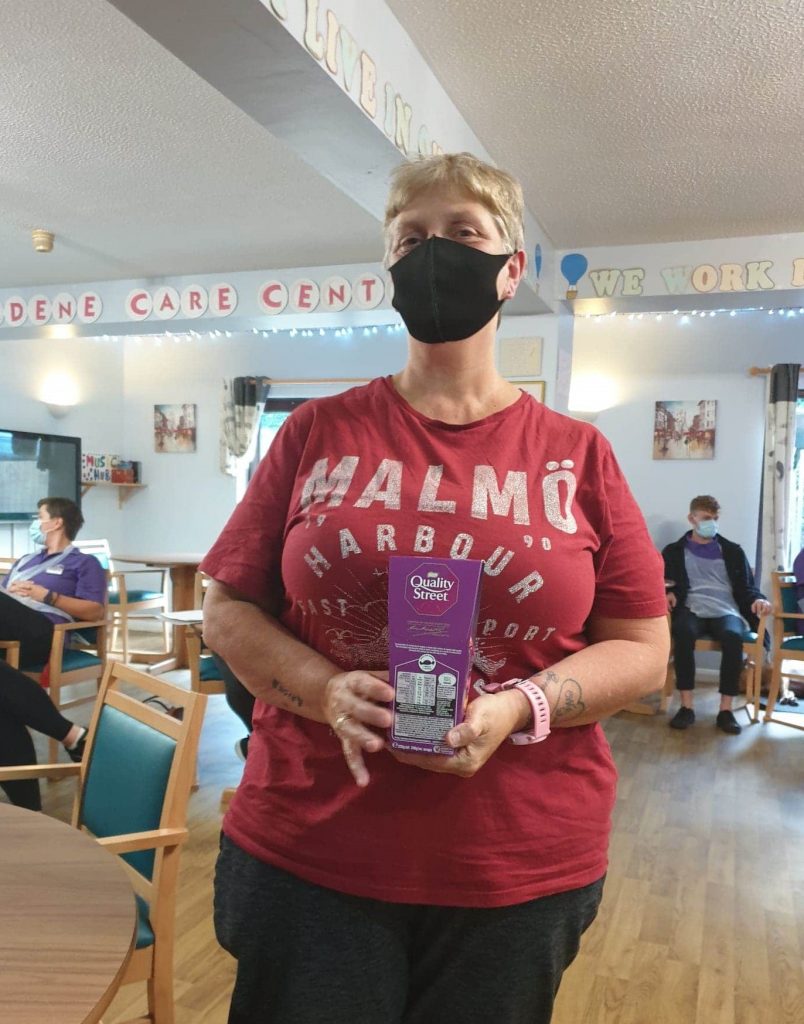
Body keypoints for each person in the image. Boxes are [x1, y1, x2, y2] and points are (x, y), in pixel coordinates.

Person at [201, 152, 669, 1024]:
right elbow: (226, 606)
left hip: (515, 859)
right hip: (311, 841)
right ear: (388, 265)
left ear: (511, 269)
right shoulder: (315, 431)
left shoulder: (579, 454)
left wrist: (520, 705)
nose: (433, 253)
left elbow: (644, 649)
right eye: (410, 238)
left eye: (463, 233)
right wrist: (323, 689)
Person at [0, 497, 107, 810]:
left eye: (39, 516)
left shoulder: (84, 563)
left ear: (56, 522)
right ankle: (30, 806)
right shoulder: (25, 560)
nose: (35, 522)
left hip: (41, 630)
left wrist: (46, 595)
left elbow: (95, 611)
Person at [662, 495, 772, 734]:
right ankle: (686, 707)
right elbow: (664, 582)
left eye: (715, 518)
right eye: (706, 518)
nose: (711, 523)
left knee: (733, 636)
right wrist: (667, 593)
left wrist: (758, 599)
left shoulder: (732, 551)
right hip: (691, 608)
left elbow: (747, 587)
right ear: (692, 518)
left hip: (726, 610)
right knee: (682, 631)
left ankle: (725, 710)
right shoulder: (673, 552)